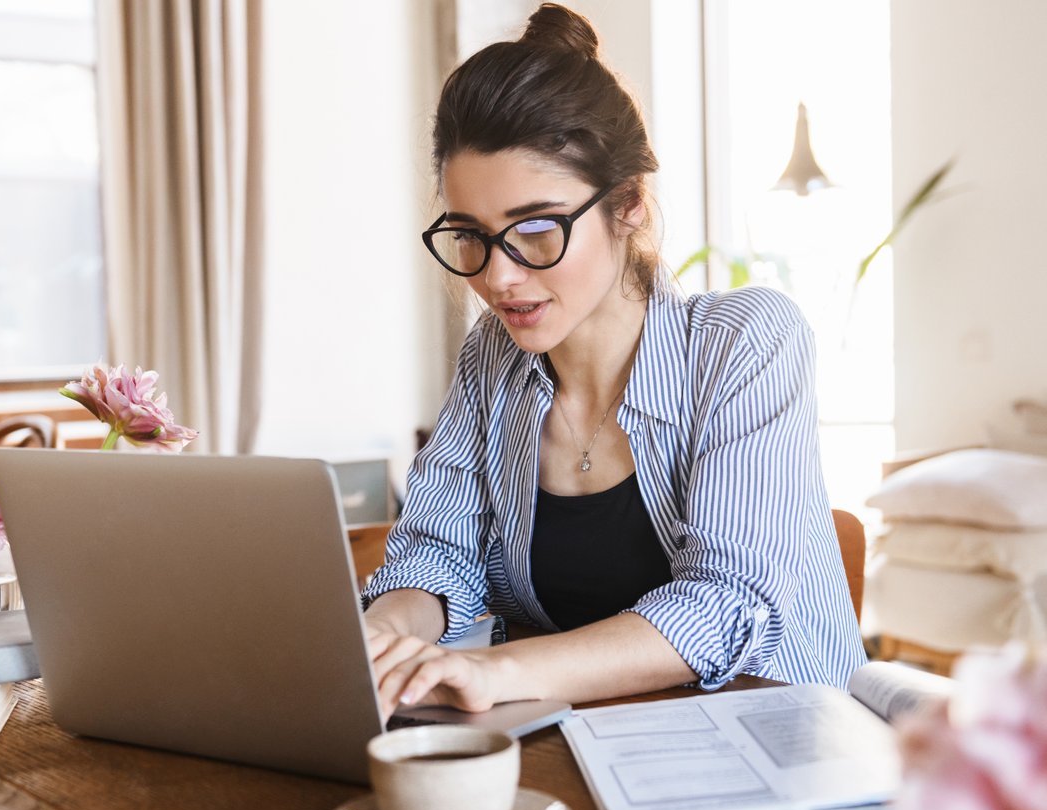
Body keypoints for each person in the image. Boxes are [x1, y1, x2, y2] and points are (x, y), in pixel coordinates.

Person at [361, 3, 866, 721]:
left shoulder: (746, 343)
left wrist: (490, 668)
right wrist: (385, 635)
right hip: (594, 756)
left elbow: (724, 605)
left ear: (627, 204)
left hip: (777, 752)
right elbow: (435, 554)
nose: (498, 277)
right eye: (469, 234)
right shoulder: (492, 360)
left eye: (535, 229)